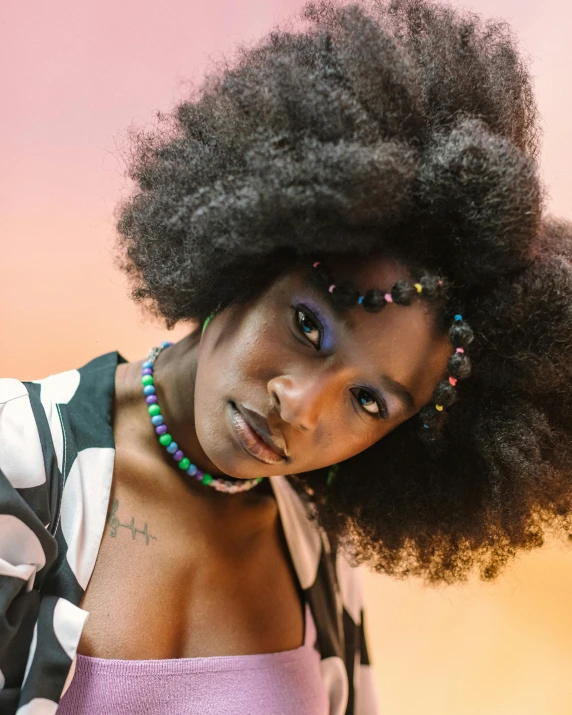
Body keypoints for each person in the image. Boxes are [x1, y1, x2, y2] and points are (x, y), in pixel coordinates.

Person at [2, 0, 572, 712]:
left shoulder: (317, 563)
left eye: (369, 401)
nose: (301, 405)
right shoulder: (18, 463)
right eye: (308, 323)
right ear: (251, 244)